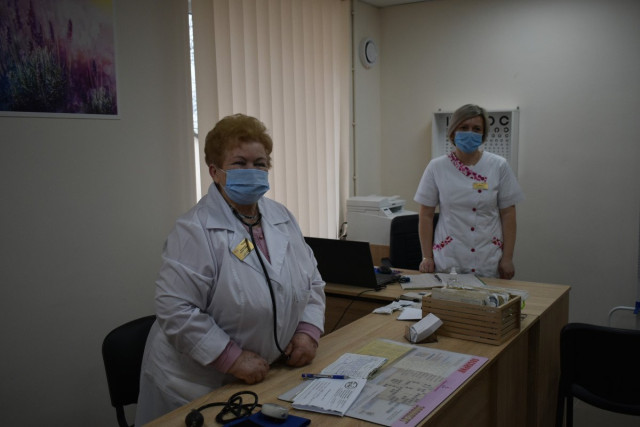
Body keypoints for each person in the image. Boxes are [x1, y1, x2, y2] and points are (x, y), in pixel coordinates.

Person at [135, 114, 326, 424]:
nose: (252, 171)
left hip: (266, 377)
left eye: (259, 163)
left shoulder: (281, 217)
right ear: (215, 171)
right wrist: (230, 357)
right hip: (196, 386)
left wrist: (307, 333)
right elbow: (176, 309)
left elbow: (311, 282)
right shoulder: (195, 230)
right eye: (239, 163)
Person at [414, 104, 524, 279]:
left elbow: (508, 214)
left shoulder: (498, 165)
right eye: (464, 127)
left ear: (483, 134)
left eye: (476, 129)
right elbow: (426, 215)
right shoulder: (437, 167)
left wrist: (507, 258)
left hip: (487, 256)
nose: (470, 133)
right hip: (449, 255)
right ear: (453, 132)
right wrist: (427, 256)